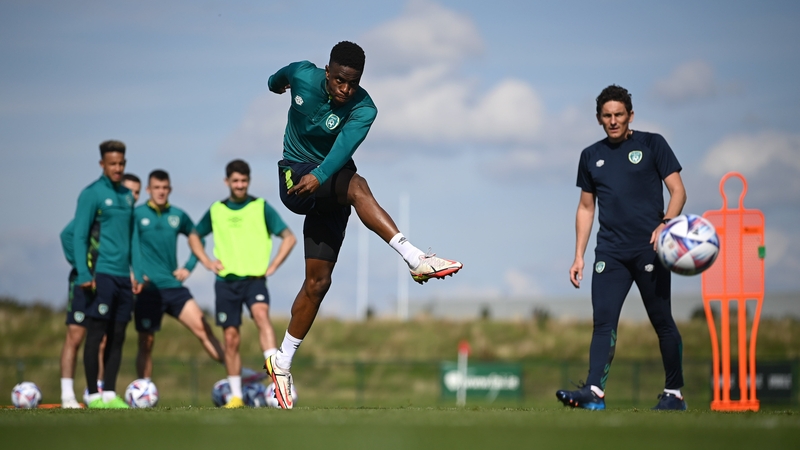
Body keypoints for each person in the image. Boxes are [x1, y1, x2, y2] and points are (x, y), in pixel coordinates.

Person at [263, 41, 463, 409]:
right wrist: (278, 85)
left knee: (317, 284)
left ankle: (282, 362)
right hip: (296, 177)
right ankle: (414, 257)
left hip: (329, 185)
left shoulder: (365, 108)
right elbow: (277, 79)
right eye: (339, 81)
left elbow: (343, 150)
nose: (345, 90)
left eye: (353, 83)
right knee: (358, 186)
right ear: (327, 71)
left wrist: (322, 175)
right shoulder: (302, 74)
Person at [556, 85, 688, 410]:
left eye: (619, 114)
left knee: (662, 321)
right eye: (607, 115)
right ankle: (593, 393)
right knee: (603, 322)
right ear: (599, 119)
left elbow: (678, 191)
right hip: (610, 253)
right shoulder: (590, 156)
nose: (613, 121)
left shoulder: (653, 144)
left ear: (630, 115)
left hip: (650, 250)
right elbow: (586, 208)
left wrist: (665, 224)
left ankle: (674, 394)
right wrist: (578, 256)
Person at [189, 159, 296, 408]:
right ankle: (236, 396)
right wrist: (206, 261)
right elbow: (194, 235)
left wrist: (274, 265)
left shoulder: (261, 207)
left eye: (244, 181)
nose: (239, 185)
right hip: (226, 282)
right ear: (227, 182)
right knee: (231, 339)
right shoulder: (216, 210)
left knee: (261, 316)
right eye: (235, 181)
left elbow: (288, 237)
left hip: (255, 280)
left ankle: (276, 380)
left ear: (249, 181)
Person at [131, 169, 225, 382]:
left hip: (173, 287)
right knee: (146, 342)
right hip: (148, 289)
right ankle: (144, 389)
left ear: (170, 189)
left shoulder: (178, 215)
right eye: (156, 187)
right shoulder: (136, 215)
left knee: (204, 329)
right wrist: (133, 272)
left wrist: (188, 267)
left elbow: (198, 239)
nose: (161, 192)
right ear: (148, 190)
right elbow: (125, 244)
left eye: (165, 188)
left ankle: (237, 375)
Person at [58, 174, 140, 408]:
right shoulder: (98, 212)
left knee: (106, 338)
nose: (133, 196)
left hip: (110, 281)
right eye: (129, 191)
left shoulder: (126, 217)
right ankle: (67, 395)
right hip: (85, 282)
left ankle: (101, 392)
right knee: (75, 336)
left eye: (137, 193)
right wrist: (84, 269)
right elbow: (67, 235)